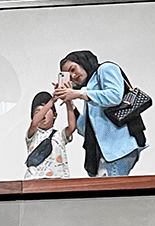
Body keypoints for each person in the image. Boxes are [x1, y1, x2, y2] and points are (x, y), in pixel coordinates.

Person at [54, 49, 146, 177]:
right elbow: (83, 129)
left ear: (82, 62)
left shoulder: (105, 69)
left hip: (118, 149)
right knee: (105, 189)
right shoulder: (90, 90)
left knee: (109, 189)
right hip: (105, 153)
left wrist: (79, 93)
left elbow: (115, 96)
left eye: (73, 69)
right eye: (69, 75)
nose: (73, 76)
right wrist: (69, 101)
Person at [24, 90, 77, 180]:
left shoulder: (59, 134)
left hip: (57, 179)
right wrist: (52, 101)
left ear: (54, 115)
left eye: (46, 111)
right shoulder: (32, 135)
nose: (43, 114)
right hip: (34, 179)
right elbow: (34, 123)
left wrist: (68, 101)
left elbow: (72, 127)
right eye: (37, 112)